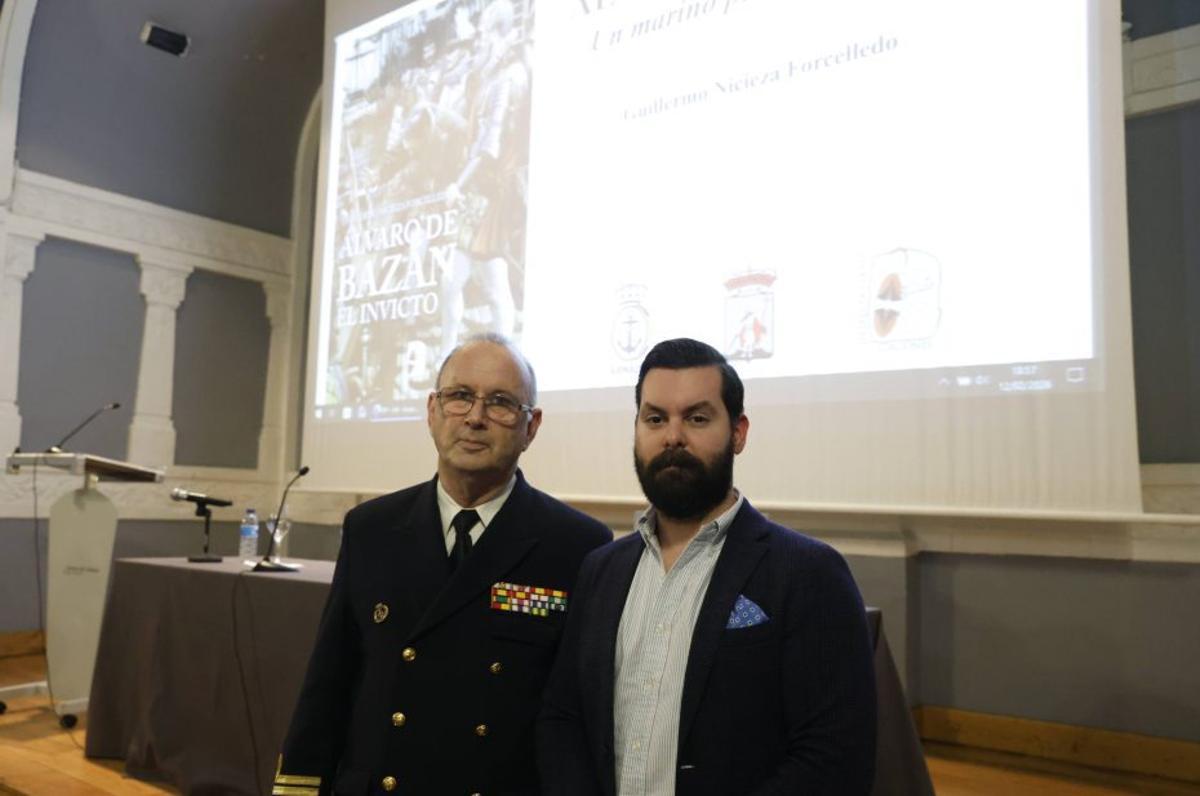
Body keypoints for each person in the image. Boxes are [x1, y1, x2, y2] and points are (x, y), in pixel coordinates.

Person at [275, 334, 612, 796]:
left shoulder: (576, 545)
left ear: (531, 427)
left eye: (500, 402)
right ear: (432, 411)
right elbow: (328, 684)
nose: (475, 417)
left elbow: (577, 714)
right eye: (460, 396)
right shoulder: (371, 529)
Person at [538, 338, 876, 795]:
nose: (673, 436)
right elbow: (564, 715)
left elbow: (834, 758)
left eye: (697, 418)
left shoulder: (808, 573)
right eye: (655, 418)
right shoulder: (601, 570)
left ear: (738, 432)